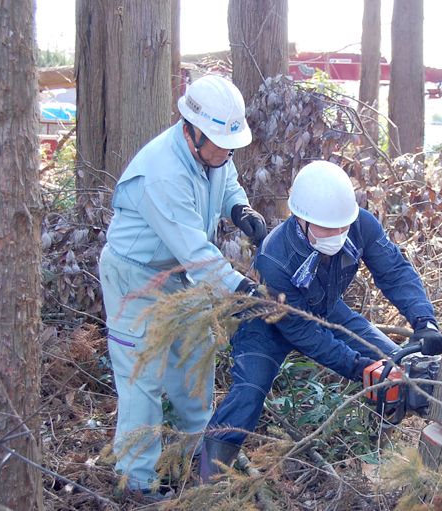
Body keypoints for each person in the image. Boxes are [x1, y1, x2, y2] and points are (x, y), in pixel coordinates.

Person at [199, 160, 442, 480]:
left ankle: (380, 454)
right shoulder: (275, 257)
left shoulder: (359, 225)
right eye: (328, 227)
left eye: (342, 225)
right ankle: (207, 480)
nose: (338, 234)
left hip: (326, 308)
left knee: (394, 364)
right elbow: (304, 332)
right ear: (301, 218)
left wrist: (423, 320)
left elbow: (394, 271)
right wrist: (356, 366)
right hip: (266, 323)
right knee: (248, 393)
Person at [99, 74, 266, 497]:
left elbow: (224, 178)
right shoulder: (163, 173)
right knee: (143, 379)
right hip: (134, 276)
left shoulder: (214, 153)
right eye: (220, 143)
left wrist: (239, 208)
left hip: (177, 273)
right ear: (192, 131)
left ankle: (201, 453)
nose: (227, 152)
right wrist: (241, 290)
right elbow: (195, 249)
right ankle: (136, 481)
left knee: (195, 355)